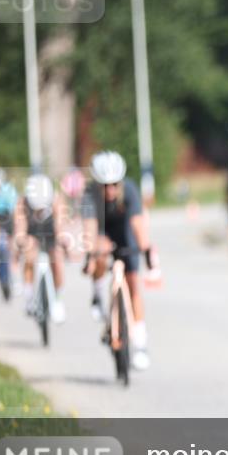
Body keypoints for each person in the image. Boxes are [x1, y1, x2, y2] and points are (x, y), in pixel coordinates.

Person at [81, 151, 156, 370]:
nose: (110, 190)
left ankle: (140, 345)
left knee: (133, 284)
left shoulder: (130, 190)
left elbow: (138, 225)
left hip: (124, 230)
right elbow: (89, 229)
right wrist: (91, 255)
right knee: (100, 252)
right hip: (102, 230)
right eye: (104, 185)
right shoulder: (89, 195)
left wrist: (145, 250)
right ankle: (97, 294)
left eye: (114, 184)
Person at [15, 173, 66, 322]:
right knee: (29, 256)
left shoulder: (56, 200)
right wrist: (22, 241)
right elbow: (20, 229)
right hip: (32, 233)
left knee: (56, 259)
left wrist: (61, 239)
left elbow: (60, 226)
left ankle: (57, 299)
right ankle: (29, 297)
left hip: (51, 232)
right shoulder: (22, 203)